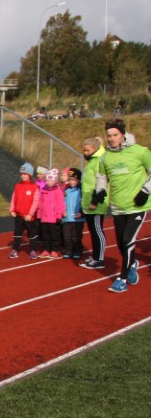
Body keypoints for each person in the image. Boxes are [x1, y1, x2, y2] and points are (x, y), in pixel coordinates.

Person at [91, 118, 151, 293]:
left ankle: (122, 279)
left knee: (128, 240)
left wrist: (145, 191)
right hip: (118, 207)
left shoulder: (140, 151)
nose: (112, 138)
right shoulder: (105, 157)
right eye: (109, 135)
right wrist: (100, 190)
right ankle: (132, 263)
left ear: (123, 134)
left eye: (115, 135)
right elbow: (102, 177)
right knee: (121, 245)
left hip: (137, 206)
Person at [79, 136, 108, 269]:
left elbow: (101, 182)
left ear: (95, 149)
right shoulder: (91, 162)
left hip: (96, 203)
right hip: (88, 202)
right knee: (93, 230)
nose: (85, 153)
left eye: (88, 150)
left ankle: (99, 259)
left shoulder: (99, 161)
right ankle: (96, 256)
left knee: (97, 230)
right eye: (84, 150)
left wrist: (95, 201)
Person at [8, 163, 41, 259]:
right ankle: (15, 250)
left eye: (25, 174)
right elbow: (13, 198)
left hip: (29, 217)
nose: (23, 176)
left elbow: (36, 201)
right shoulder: (17, 186)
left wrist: (30, 214)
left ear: (30, 175)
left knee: (32, 234)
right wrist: (12, 209)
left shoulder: (34, 187)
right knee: (17, 234)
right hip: (18, 215)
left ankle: (33, 250)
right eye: (22, 174)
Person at [36, 168, 65, 257]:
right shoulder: (44, 191)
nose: (49, 182)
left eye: (51, 180)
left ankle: (54, 249)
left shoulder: (58, 191)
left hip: (53, 218)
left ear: (55, 180)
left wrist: (59, 215)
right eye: (48, 180)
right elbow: (41, 204)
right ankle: (46, 249)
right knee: (45, 235)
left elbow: (60, 204)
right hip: (44, 218)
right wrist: (39, 215)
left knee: (54, 235)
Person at [61, 167, 85, 259]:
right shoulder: (66, 191)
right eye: (70, 180)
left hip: (77, 218)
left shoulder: (81, 191)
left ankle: (77, 251)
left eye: (74, 180)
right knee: (67, 236)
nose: (71, 182)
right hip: (67, 218)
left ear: (78, 180)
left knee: (76, 236)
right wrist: (63, 211)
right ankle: (68, 250)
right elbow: (62, 202)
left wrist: (81, 213)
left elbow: (84, 203)